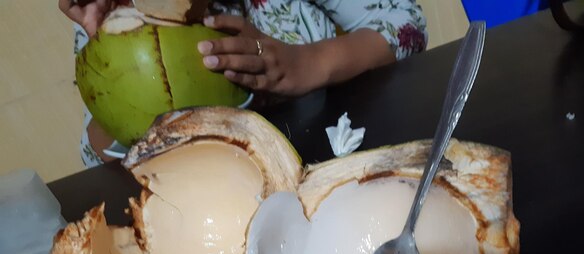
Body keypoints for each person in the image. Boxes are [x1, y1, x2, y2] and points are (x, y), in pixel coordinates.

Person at [59, 0, 427, 166]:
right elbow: (94, 153)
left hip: (337, 157)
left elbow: (403, 24)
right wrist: (109, 52)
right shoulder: (112, 15)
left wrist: (308, 63)